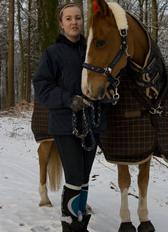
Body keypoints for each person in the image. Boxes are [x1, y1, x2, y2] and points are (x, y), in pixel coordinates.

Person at [33, 3, 104, 232]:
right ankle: (71, 228)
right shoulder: (52, 53)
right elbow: (42, 87)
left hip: (92, 124)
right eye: (69, 19)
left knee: (84, 178)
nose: (74, 22)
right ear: (61, 23)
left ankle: (80, 224)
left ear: (83, 21)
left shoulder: (93, 50)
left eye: (78, 18)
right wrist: (68, 99)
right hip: (65, 125)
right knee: (74, 177)